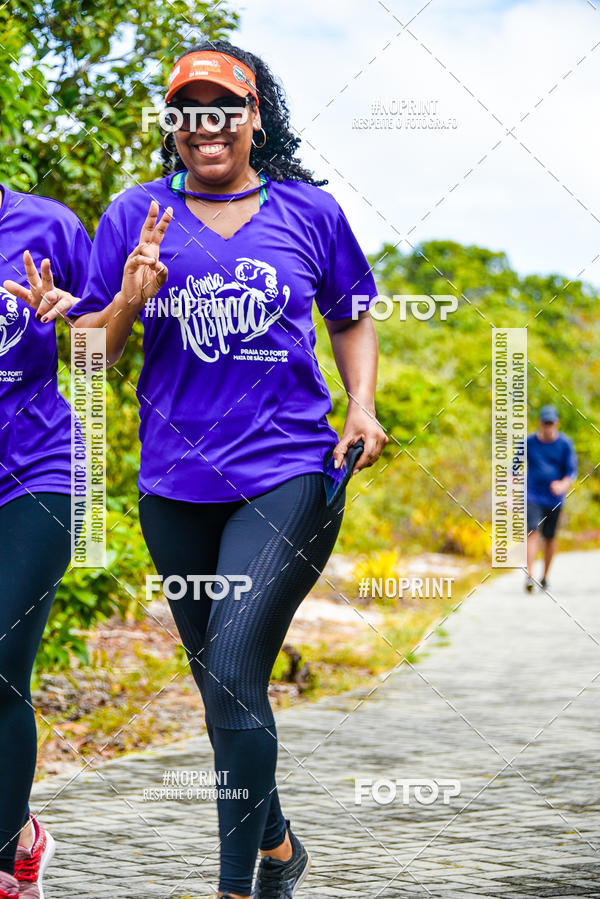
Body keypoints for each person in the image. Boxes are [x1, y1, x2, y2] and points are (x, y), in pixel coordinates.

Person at [68, 40, 387, 899]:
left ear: (254, 118)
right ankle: (279, 845)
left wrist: (361, 403)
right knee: (220, 690)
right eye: (186, 112)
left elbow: (350, 313)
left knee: (238, 667)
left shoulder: (308, 212)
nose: (204, 127)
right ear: (172, 125)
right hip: (174, 490)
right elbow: (91, 356)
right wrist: (132, 295)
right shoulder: (134, 214)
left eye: (222, 109)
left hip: (289, 473)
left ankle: (235, 887)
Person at [0, 183, 91, 898]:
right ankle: (24, 833)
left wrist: (81, 318)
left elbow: (108, 342)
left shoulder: (47, 225)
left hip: (39, 471)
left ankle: (4, 865)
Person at [524, 404, 577, 592]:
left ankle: (545, 576)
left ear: (556, 423)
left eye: (551, 423)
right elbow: (515, 466)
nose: (548, 427)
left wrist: (562, 484)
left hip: (554, 498)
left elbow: (571, 472)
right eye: (545, 423)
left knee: (549, 537)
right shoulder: (529, 442)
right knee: (532, 531)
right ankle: (529, 576)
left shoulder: (565, 444)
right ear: (539, 423)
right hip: (533, 495)